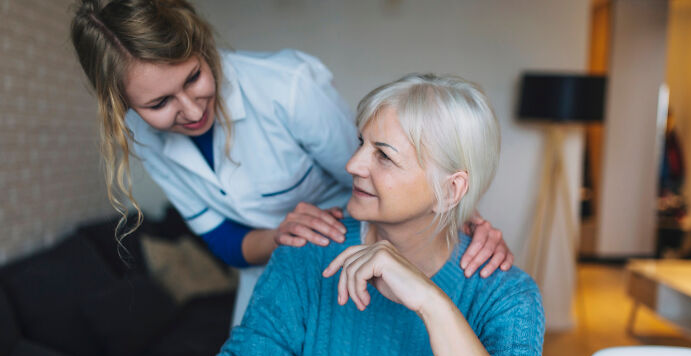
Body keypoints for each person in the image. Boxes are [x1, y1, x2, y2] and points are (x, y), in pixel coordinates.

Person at [70, 0, 514, 325]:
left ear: (203, 47)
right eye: (161, 102)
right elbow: (223, 241)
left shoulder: (288, 88)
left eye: (193, 77)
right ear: (122, 105)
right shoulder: (144, 138)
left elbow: (384, 171)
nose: (190, 109)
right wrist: (279, 235)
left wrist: (466, 218)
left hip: (358, 248)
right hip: (271, 270)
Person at [202, 74, 556, 356]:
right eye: (360, 143)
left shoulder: (505, 293)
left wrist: (431, 302)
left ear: (451, 191)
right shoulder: (307, 254)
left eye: (383, 155)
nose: (353, 164)